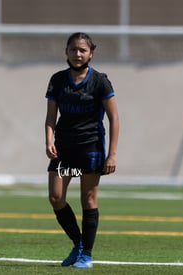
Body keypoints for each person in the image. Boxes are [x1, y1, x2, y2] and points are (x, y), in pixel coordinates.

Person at [45, 32, 119, 268]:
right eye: (73, 49)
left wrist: (112, 154)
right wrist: (48, 140)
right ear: (66, 52)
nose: (77, 54)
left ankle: (86, 255)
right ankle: (78, 243)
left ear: (91, 53)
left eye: (82, 50)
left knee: (88, 198)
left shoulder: (100, 81)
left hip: (90, 146)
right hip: (64, 148)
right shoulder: (57, 80)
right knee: (56, 197)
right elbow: (50, 117)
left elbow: (114, 118)